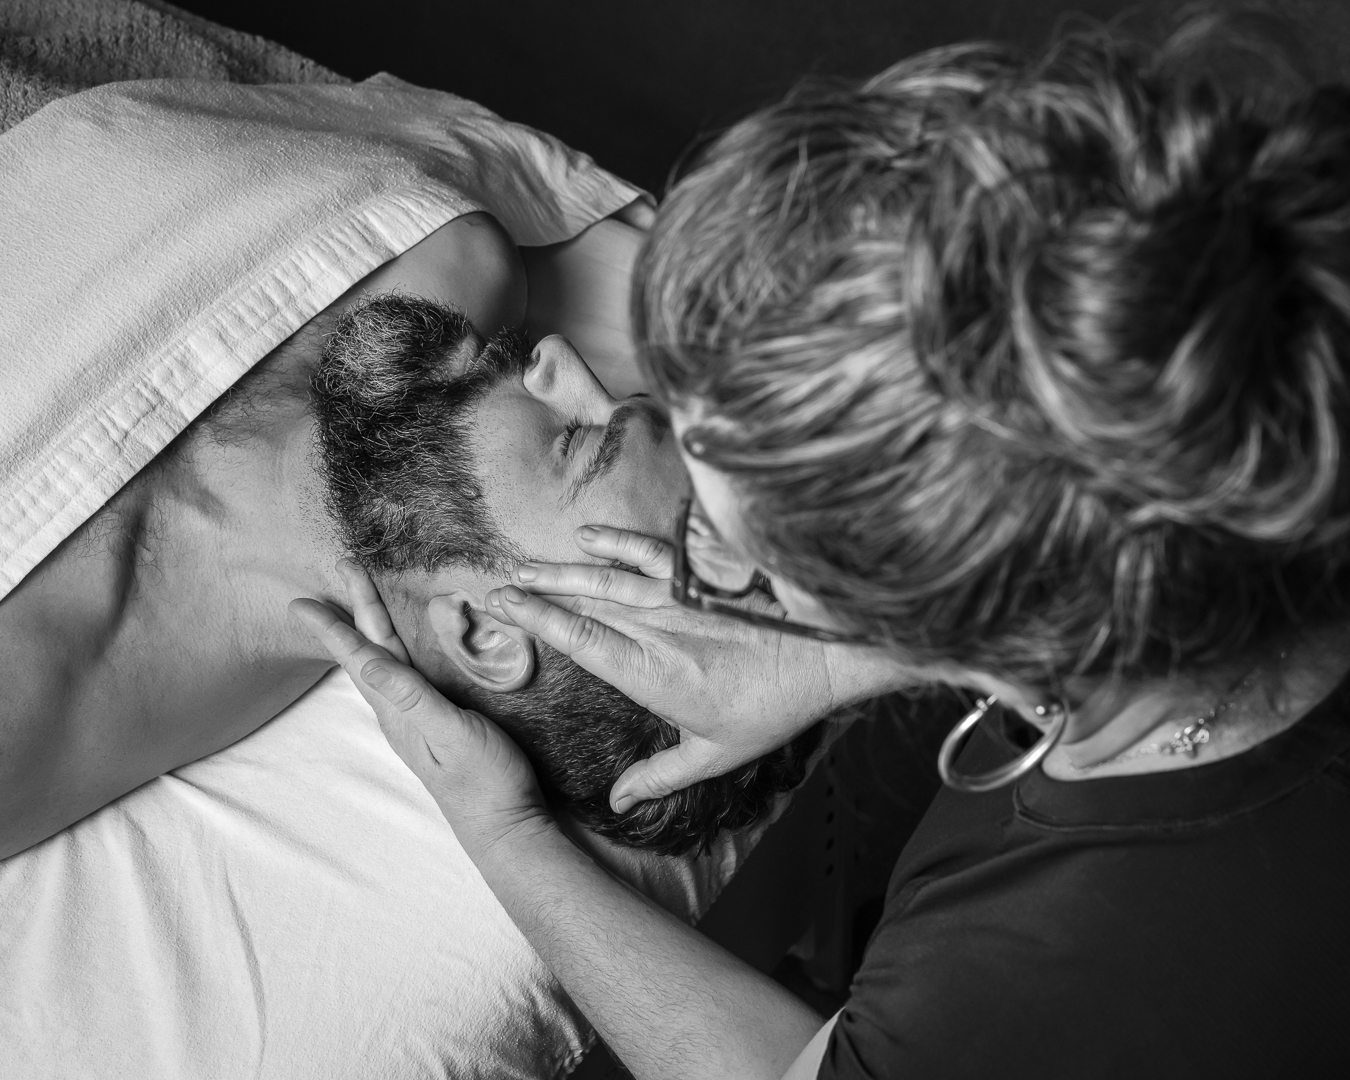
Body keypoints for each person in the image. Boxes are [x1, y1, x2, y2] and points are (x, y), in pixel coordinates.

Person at [297, 14, 1350, 1079]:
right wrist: (836, 658)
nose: (608, 382)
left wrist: (505, 835)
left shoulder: (1039, 978)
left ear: (902, 579)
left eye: (718, 533)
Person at [0, 214, 816, 861]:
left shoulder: (40, 683)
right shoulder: (461, 274)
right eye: (625, 398)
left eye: (574, 443)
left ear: (486, 629)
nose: (560, 357)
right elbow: (460, 247)